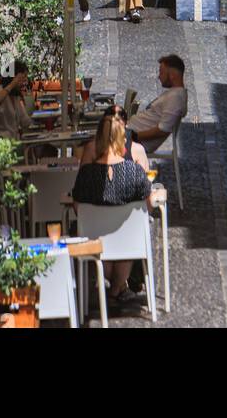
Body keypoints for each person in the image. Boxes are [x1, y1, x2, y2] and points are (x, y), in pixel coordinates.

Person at [71, 112, 155, 309]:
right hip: (128, 243)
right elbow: (148, 206)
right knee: (130, 233)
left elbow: (77, 208)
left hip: (96, 242)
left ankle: (114, 287)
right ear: (122, 140)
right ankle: (117, 287)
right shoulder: (134, 172)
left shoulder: (86, 175)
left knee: (98, 236)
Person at [128, 55, 187, 152]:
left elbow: (162, 130)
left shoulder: (175, 98)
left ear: (172, 74)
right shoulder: (173, 94)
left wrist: (133, 136)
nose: (159, 76)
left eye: (161, 72)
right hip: (129, 133)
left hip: (135, 141)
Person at [78, 105, 151, 173]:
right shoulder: (136, 149)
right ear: (125, 125)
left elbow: (82, 178)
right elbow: (146, 180)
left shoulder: (92, 148)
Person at [0, 60, 31, 140]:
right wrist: (12, 84)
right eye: (23, 77)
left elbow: (25, 122)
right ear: (14, 78)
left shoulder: (15, 97)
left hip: (10, 143)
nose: (25, 82)